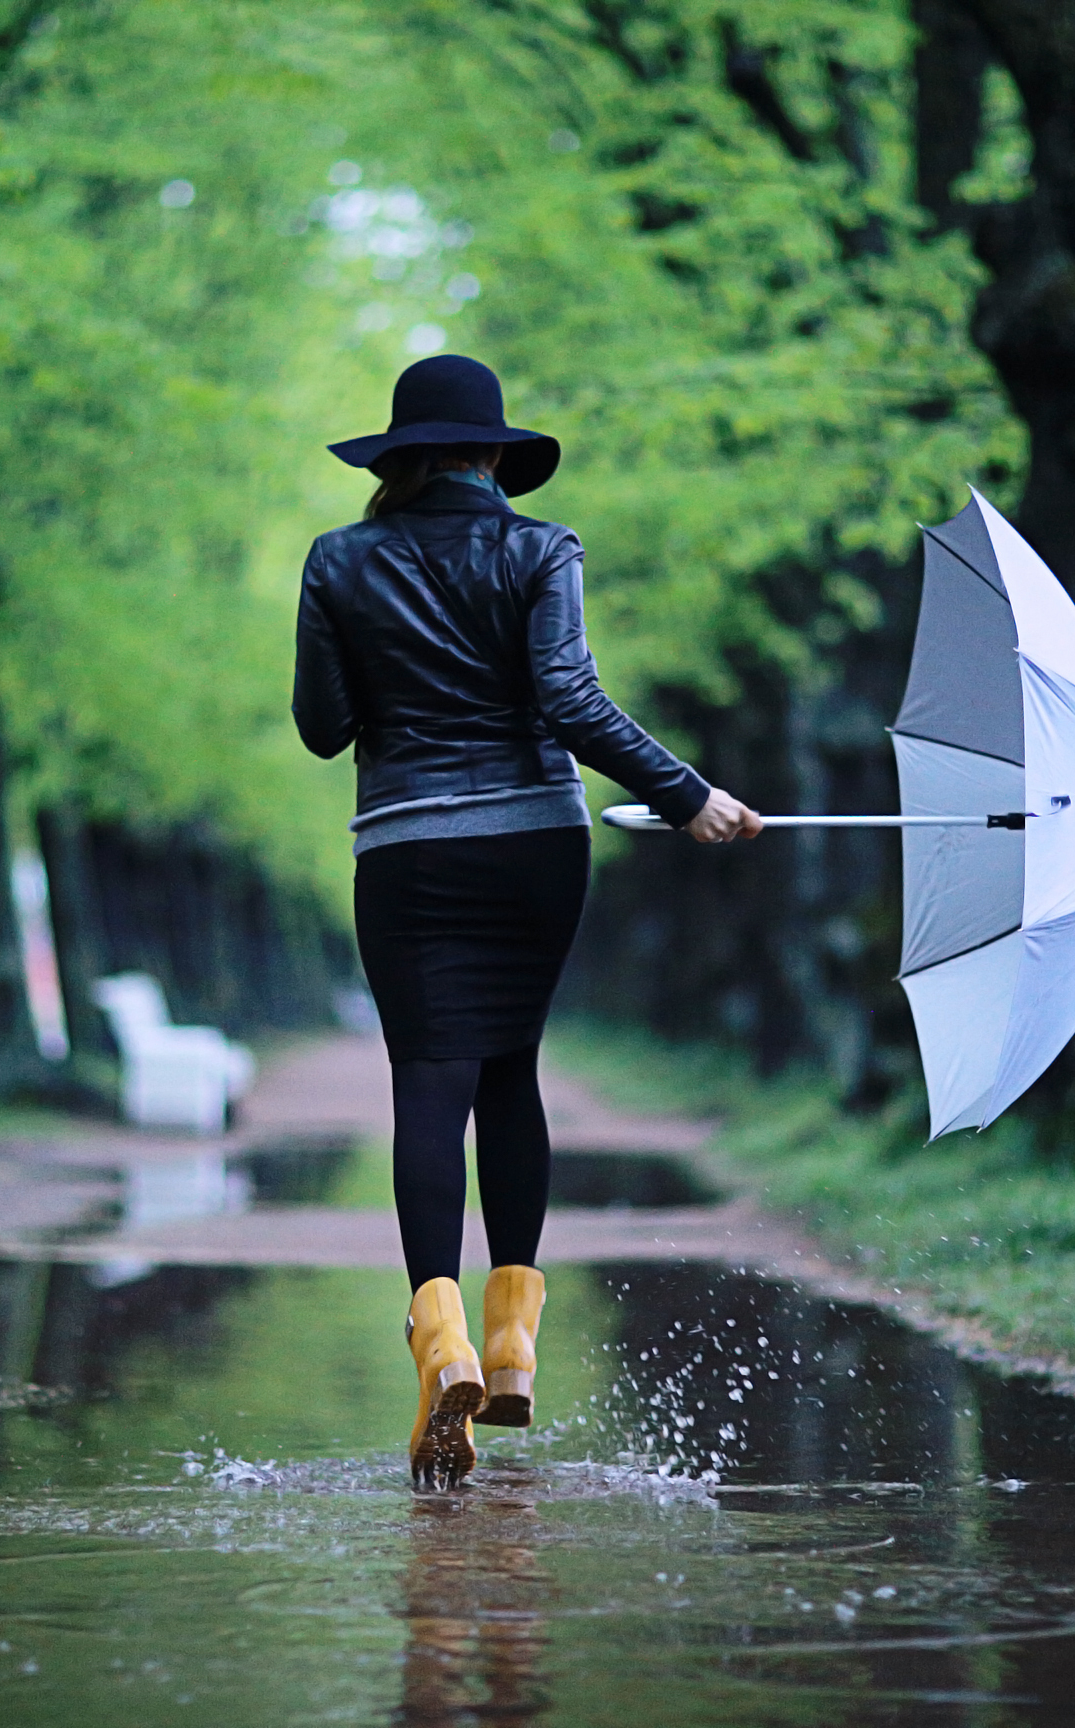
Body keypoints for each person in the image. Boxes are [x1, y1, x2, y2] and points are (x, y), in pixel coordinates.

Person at [295, 354, 762, 1492]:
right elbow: (567, 697)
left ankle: (440, 1339)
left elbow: (323, 728)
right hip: (533, 848)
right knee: (512, 1074)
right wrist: (685, 792)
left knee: (429, 1084)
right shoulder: (540, 548)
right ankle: (510, 1346)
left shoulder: (339, 561)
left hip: (407, 851)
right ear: (498, 455)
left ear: (397, 460)